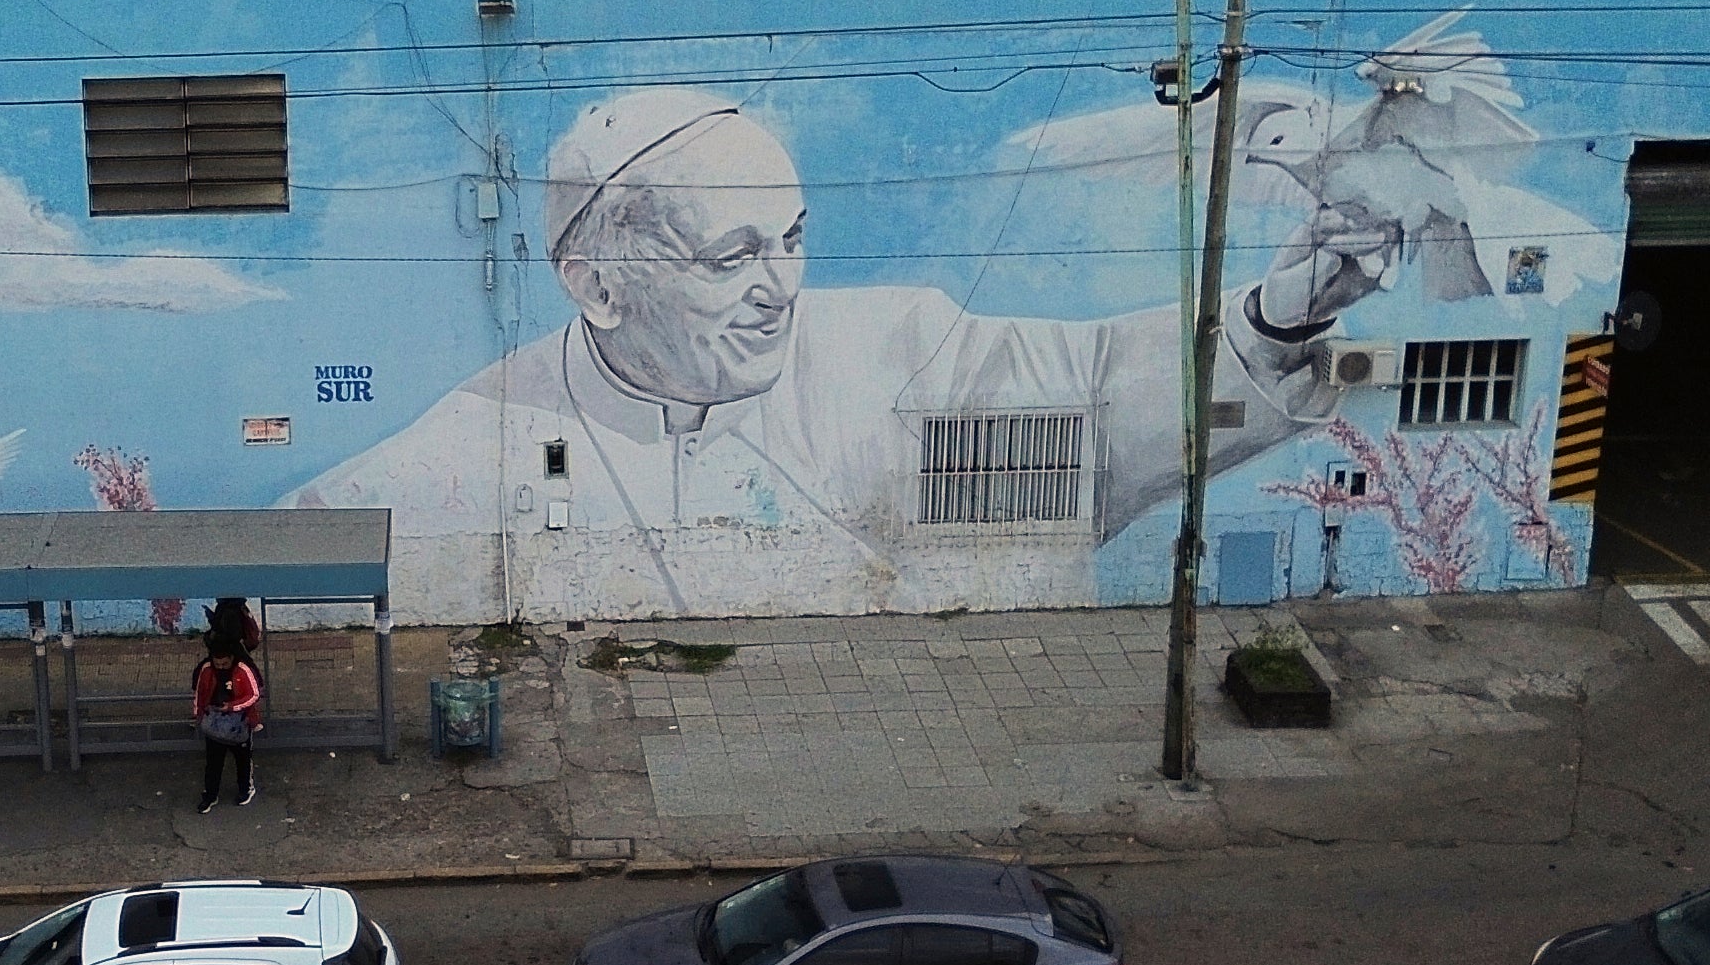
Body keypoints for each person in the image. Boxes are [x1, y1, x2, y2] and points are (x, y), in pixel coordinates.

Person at [286, 87, 1414, 622]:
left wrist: (1277, 311)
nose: (781, 288)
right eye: (732, 256)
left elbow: (1097, 397)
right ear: (596, 283)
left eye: (791, 241)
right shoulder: (463, 440)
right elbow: (312, 563)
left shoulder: (898, 342)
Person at [192, 637, 263, 810]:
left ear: (231, 658)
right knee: (213, 762)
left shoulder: (243, 670)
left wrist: (232, 706)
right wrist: (198, 714)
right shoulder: (207, 669)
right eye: (217, 664)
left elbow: (253, 695)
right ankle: (210, 795)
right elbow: (200, 693)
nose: (221, 667)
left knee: (243, 760)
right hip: (215, 720)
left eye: (224, 663)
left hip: (240, 721)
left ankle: (245, 789)